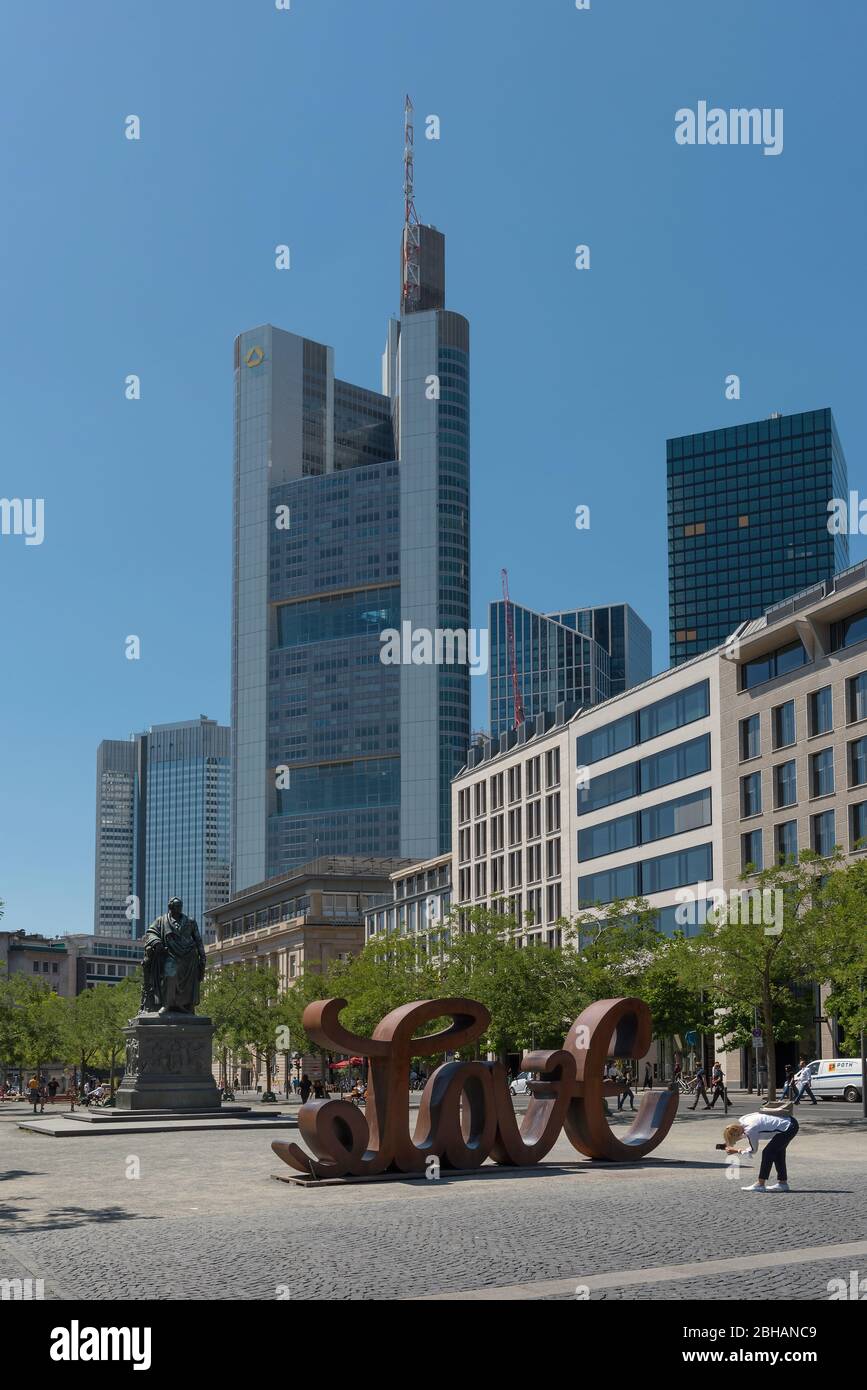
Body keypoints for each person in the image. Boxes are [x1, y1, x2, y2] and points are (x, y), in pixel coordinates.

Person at [724, 1109, 799, 1192]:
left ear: (737, 1133)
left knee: (767, 1153)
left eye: (735, 1137)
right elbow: (746, 1132)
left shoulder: (750, 1130)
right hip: (790, 1122)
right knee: (778, 1152)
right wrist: (730, 1142)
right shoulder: (744, 1119)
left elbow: (753, 1150)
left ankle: (760, 1184)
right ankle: (783, 1183)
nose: (737, 1139)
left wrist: (737, 1150)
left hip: (788, 1128)